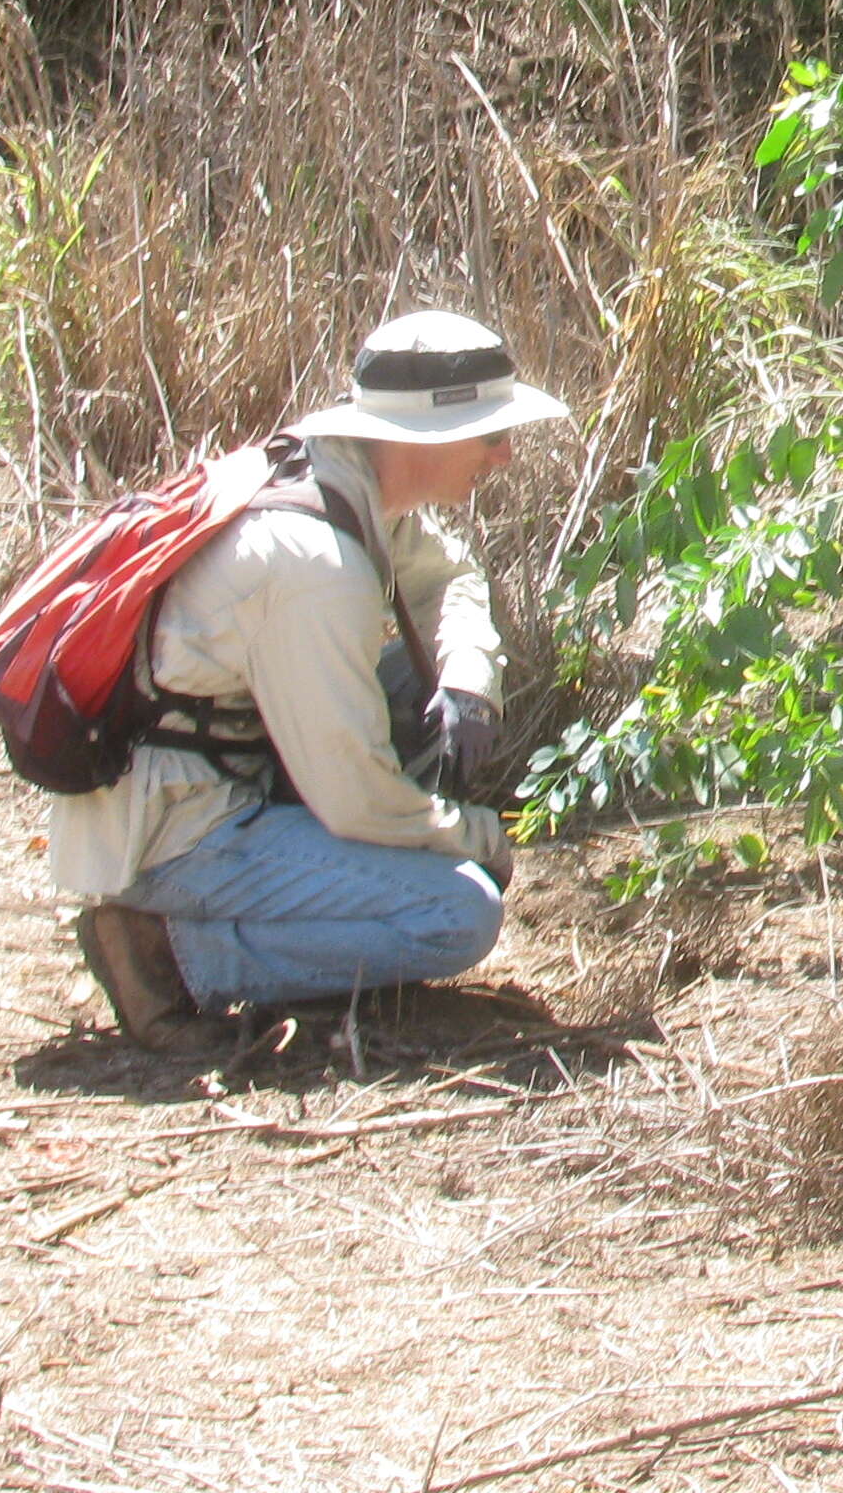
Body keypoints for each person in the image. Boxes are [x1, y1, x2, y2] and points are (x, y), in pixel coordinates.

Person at [59, 310, 568, 1053]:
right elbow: (356, 798)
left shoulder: (334, 473)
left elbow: (447, 574)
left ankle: (241, 920)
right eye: (490, 435)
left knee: (405, 683)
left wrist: (467, 680)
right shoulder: (313, 567)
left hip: (207, 780)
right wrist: (476, 837)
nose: (505, 455)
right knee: (460, 914)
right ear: (424, 438)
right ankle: (172, 958)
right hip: (176, 832)